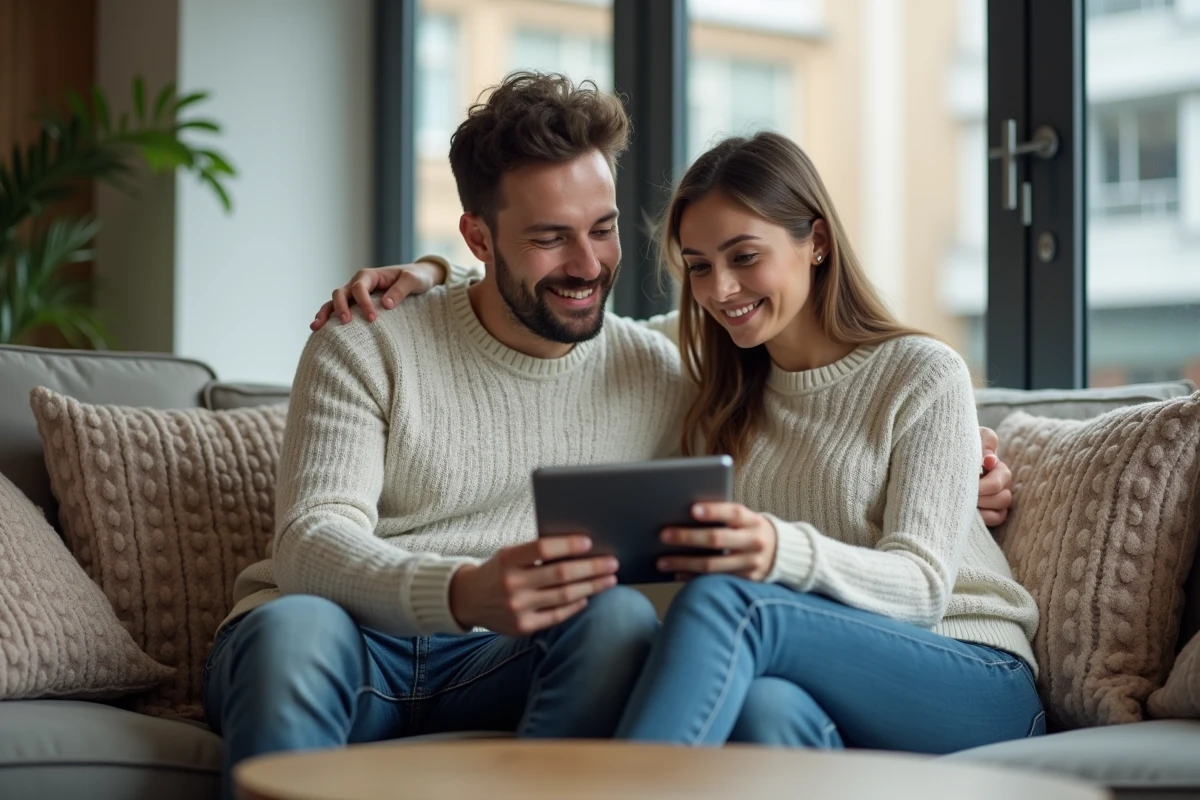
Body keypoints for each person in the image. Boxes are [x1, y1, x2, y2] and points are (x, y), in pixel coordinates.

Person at [314, 132, 1039, 751]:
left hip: (971, 668)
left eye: (744, 256)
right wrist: (431, 273)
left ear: (815, 241)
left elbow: (920, 589)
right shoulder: (710, 378)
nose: (721, 289)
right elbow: (526, 296)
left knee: (728, 602)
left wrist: (776, 549)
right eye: (697, 266)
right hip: (817, 675)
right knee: (762, 714)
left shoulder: (921, 373)